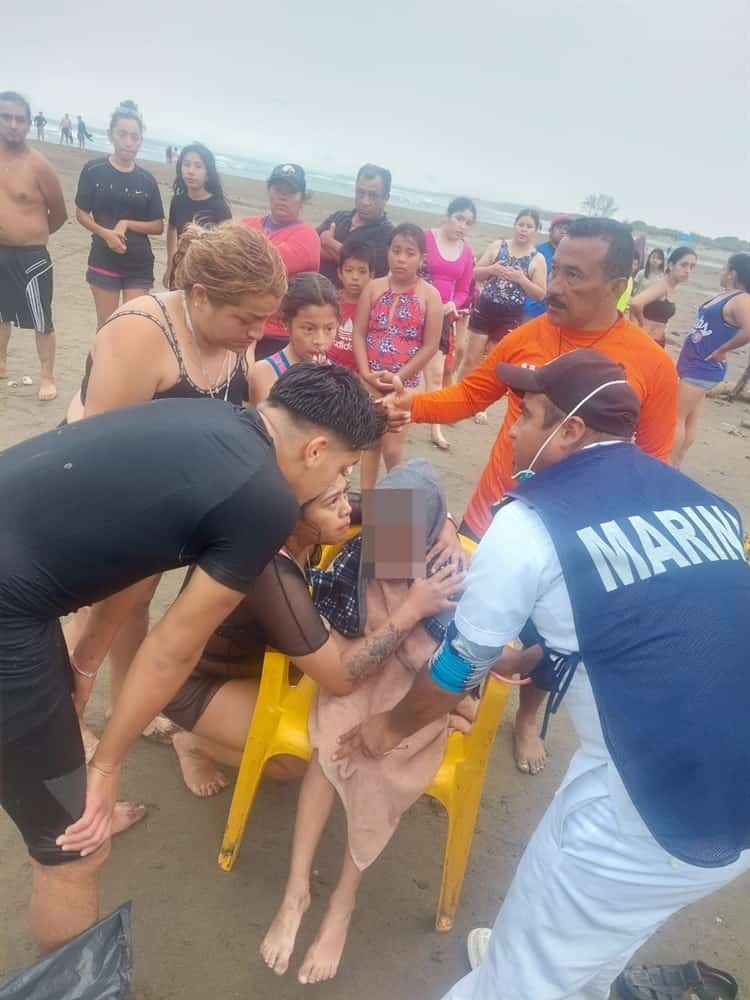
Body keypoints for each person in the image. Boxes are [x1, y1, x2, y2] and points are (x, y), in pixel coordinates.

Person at [338, 349, 750, 1000]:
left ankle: (520, 973)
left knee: (521, 984)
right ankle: (541, 958)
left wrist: (383, 732)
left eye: (527, 415)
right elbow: (655, 619)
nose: (514, 429)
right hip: (715, 787)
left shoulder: (530, 523)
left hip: (654, 810)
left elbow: (457, 666)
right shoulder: (705, 505)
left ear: (573, 431)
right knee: (598, 930)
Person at [0, 363, 383, 956]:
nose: (342, 491)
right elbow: (171, 651)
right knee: (74, 852)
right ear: (314, 449)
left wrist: (83, 663)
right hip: (14, 613)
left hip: (20, 579)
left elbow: (138, 552)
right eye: (341, 472)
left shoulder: (215, 420)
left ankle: (68, 796)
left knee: (65, 774)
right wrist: (105, 766)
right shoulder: (266, 508)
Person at [378, 218, 679, 774]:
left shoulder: (652, 364)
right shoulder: (530, 335)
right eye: (556, 268)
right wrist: (409, 406)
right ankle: (448, 693)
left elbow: (653, 460)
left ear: (617, 286)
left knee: (547, 644)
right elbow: (471, 394)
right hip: (490, 516)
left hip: (568, 541)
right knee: (458, 615)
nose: (554, 285)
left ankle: (525, 717)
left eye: (573, 275)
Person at [63, 223, 286, 751]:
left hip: (169, 494)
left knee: (138, 603)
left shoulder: (235, 335)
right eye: (247, 319)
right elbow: (100, 452)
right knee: (94, 610)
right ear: (201, 295)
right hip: (106, 491)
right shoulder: (140, 331)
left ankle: (128, 703)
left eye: (264, 319)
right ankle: (66, 720)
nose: (257, 333)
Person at [262, 460, 469, 984]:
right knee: (329, 744)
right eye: (381, 540)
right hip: (355, 670)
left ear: (430, 538)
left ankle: (341, 905)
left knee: (379, 767)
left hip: (416, 695)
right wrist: (405, 611)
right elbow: (343, 665)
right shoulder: (361, 546)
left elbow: (455, 668)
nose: (386, 560)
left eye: (404, 549)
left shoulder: (448, 573)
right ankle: (295, 891)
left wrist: (425, 601)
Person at [352, 223, 442, 489]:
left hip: (404, 386)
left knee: (392, 448)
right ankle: (368, 511)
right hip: (369, 380)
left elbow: (430, 345)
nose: (401, 258)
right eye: (396, 250)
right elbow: (359, 332)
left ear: (422, 258)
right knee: (369, 445)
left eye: (410, 253)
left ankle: (396, 525)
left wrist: (398, 377)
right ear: (388, 251)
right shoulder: (373, 288)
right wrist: (366, 373)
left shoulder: (430, 296)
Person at [0, 91, 67, 402]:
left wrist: (34, 235)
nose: (13, 124)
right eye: (6, 117)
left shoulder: (38, 165)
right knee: (1, 314)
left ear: (28, 124)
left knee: (42, 318)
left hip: (31, 255)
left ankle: (47, 377)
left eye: (19, 119)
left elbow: (60, 213)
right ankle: (1, 364)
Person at [75, 100, 164, 330]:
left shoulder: (147, 180)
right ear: (111, 135)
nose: (128, 142)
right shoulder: (94, 170)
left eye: (134, 137)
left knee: (130, 328)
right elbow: (81, 213)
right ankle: (98, 368)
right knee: (106, 327)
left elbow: (157, 225)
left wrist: (126, 224)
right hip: (104, 259)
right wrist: (106, 234)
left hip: (139, 265)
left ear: (140, 141)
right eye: (122, 134)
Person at [671, 252, 750, 467]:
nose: (721, 272)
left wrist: (722, 350)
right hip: (693, 362)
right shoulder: (727, 294)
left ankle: (670, 462)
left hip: (703, 367)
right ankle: (676, 463)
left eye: (725, 268)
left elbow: (748, 329)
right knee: (690, 417)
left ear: (733, 273)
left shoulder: (741, 298)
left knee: (675, 417)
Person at [241, 163, 321, 359]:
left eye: (291, 192)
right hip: (238, 324)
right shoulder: (247, 224)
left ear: (302, 198)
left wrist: (240, 254)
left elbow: (266, 266)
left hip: (278, 335)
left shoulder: (307, 237)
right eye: (278, 190)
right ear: (269, 191)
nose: (283, 197)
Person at [460, 208, 547, 381]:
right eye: (520, 224)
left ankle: (479, 403)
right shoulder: (498, 246)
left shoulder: (537, 259)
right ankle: (458, 400)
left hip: (510, 315)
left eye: (529, 226)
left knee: (493, 364)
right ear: (514, 226)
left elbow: (540, 294)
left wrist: (522, 279)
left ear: (536, 231)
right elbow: (475, 273)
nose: (523, 229)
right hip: (485, 308)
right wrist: (492, 269)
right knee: (471, 359)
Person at [422, 197, 477, 450]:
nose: (462, 226)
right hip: (415, 310)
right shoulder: (425, 237)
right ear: (447, 214)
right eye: (459, 218)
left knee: (436, 374)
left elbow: (465, 289)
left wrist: (454, 303)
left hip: (443, 318)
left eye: (468, 222)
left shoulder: (466, 251)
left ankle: (436, 427)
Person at [251, 272, 339, 405]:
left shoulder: (338, 377)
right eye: (309, 329)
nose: (320, 341)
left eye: (329, 329)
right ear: (286, 323)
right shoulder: (265, 373)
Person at [163, 142, 232, 287]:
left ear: (208, 174)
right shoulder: (178, 201)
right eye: (186, 164)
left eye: (198, 166)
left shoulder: (219, 207)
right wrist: (170, 263)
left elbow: (229, 246)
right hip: (180, 271)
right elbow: (171, 228)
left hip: (206, 276)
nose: (191, 171)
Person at [318, 163, 394, 285]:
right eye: (360, 192)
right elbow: (310, 246)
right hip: (313, 291)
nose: (365, 201)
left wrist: (329, 243)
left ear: (386, 198)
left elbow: (370, 271)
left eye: (373, 195)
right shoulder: (339, 217)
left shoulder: (388, 234)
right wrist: (338, 253)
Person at [629, 246, 697, 346]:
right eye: (683, 265)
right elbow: (635, 303)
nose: (688, 270)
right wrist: (640, 324)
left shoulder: (670, 286)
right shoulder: (662, 286)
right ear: (671, 265)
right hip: (647, 340)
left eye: (691, 267)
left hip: (656, 340)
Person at [327, 238, 375, 369]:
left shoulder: (376, 307)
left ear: (372, 276)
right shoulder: (329, 301)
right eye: (349, 270)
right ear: (339, 273)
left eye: (362, 271)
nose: (355, 277)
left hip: (359, 377)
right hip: (327, 371)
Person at [521, 214, 571, 321]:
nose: (563, 231)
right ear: (551, 230)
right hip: (531, 310)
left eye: (567, 229)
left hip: (554, 311)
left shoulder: (570, 255)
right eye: (559, 227)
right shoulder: (537, 251)